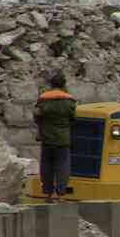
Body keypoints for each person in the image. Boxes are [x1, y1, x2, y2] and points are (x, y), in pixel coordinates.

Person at [33, 72, 77, 202]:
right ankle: (60, 194)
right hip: (63, 139)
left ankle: (48, 194)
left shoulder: (43, 98)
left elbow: (37, 116)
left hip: (46, 138)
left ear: (51, 84)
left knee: (46, 165)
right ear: (64, 84)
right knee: (62, 166)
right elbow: (73, 118)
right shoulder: (69, 100)